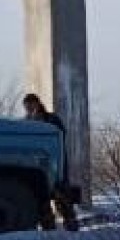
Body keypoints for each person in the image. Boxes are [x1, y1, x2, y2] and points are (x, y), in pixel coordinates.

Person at [22, 92, 79, 232]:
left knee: (62, 196)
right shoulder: (25, 121)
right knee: (42, 199)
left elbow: (59, 135)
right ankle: (49, 228)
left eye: (31, 105)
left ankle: (70, 224)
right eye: (26, 106)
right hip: (36, 165)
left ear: (37, 104)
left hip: (55, 163)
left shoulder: (51, 119)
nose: (29, 109)